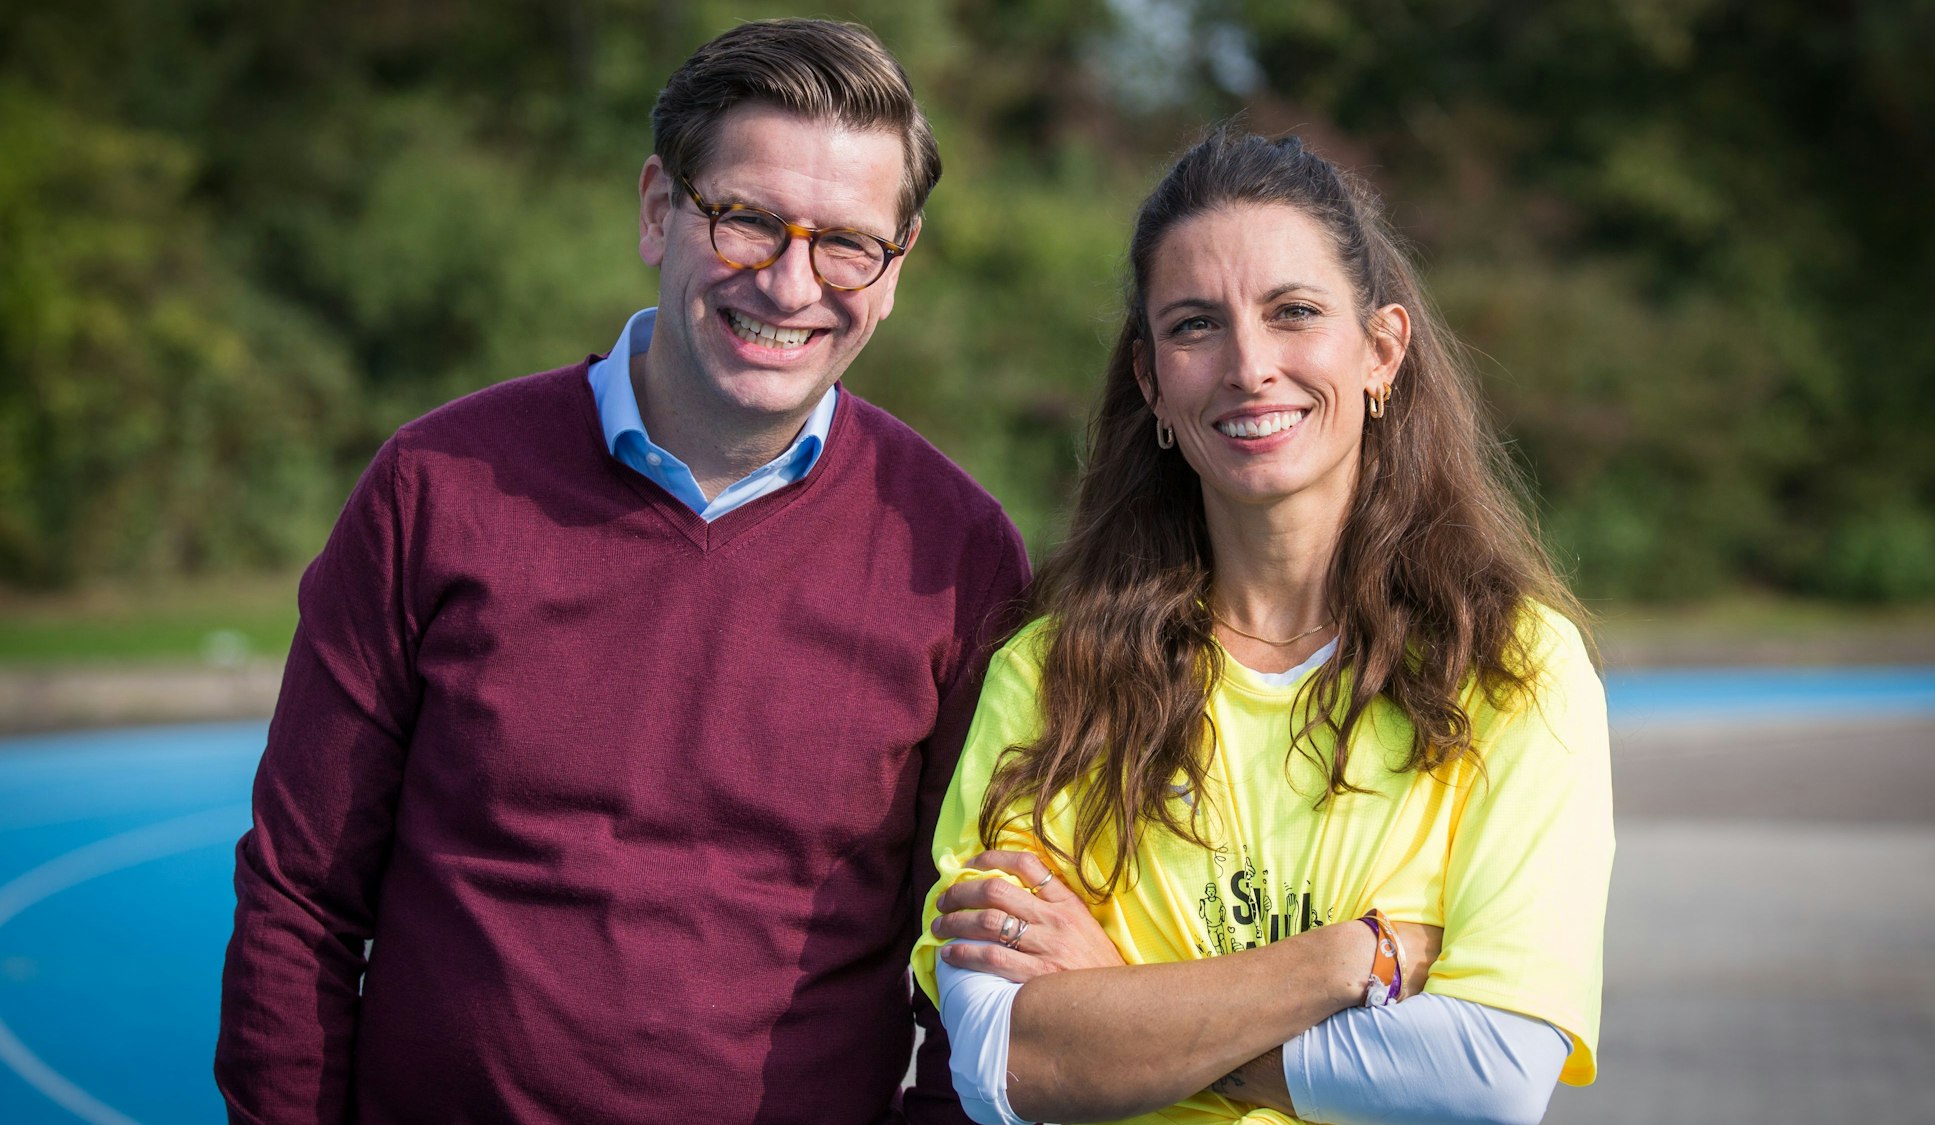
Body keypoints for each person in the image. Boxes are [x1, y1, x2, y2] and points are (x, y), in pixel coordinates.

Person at [216, 19, 1029, 1124]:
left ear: (895, 268)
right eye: (745, 220)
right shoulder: (436, 486)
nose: (791, 285)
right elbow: (299, 898)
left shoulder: (959, 556)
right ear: (659, 208)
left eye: (846, 243)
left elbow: (974, 962)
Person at [911, 128, 1614, 1125]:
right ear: (1151, 381)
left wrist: (1128, 1015)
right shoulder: (1051, 674)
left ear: (1380, 352)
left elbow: (1487, 1075)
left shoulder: (1512, 669)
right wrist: (1349, 959)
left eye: (1292, 314)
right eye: (1195, 326)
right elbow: (1004, 1066)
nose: (1249, 366)